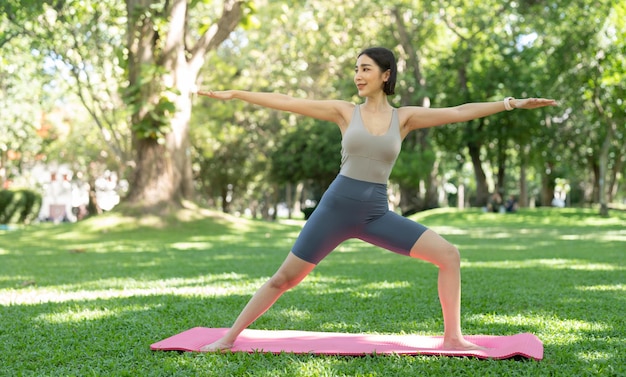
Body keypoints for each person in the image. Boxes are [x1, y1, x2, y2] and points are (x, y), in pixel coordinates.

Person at [197, 47, 557, 352]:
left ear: (386, 75)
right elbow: (289, 102)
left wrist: (511, 103)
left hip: (374, 213)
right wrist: (238, 94)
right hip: (336, 207)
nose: (358, 75)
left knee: (449, 255)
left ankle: (453, 338)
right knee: (283, 280)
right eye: (356, 69)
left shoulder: (405, 118)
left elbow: (460, 112)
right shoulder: (344, 112)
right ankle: (228, 338)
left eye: (365, 69)